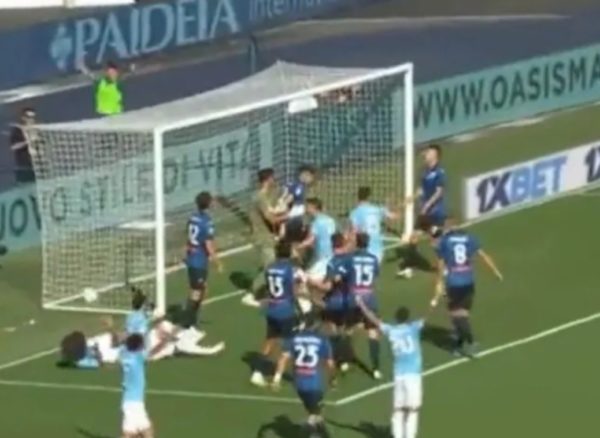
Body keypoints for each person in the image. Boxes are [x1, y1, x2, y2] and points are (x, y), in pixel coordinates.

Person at [432, 219, 503, 357]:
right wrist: (495, 271)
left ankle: (470, 342)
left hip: (454, 282)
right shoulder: (470, 238)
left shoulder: (444, 241)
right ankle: (459, 344)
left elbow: (440, 265)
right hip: (468, 282)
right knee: (462, 314)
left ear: (448, 229)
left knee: (456, 316)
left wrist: (439, 283)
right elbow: (484, 256)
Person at [355, 297, 424, 438]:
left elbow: (373, 319)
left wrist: (361, 305)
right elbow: (427, 315)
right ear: (408, 318)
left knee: (398, 410)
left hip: (399, 375)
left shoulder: (391, 330)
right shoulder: (413, 327)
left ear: (396, 318)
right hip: (413, 375)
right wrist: (435, 301)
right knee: (412, 410)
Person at [250, 240, 306, 387]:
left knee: (270, 340)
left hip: (272, 308)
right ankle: (279, 377)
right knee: (290, 343)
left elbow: (270, 288)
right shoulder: (289, 269)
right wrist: (300, 309)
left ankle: (257, 372)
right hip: (285, 310)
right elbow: (292, 292)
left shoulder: (270, 268)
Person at [273, 313, 336, 438]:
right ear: (316, 325)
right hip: (314, 384)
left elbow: (283, 359)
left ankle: (320, 432)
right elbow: (330, 363)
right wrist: (332, 379)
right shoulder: (321, 339)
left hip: (299, 384)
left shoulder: (294, 338)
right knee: (314, 415)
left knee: (316, 412)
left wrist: (277, 379)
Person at [398, 144, 447, 278]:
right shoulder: (424, 172)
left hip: (435, 212)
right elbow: (421, 191)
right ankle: (411, 263)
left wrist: (427, 205)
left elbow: (439, 192)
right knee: (413, 238)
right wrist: (409, 200)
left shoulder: (439, 172)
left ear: (435, 155)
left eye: (429, 152)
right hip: (425, 214)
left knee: (435, 242)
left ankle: (444, 267)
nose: (426, 154)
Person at [243, 168, 287, 305]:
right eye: (273, 178)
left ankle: (266, 289)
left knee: (272, 263)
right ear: (268, 180)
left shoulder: (261, 196)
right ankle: (252, 293)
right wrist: (289, 215)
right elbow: (270, 219)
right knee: (270, 266)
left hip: (265, 235)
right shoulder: (260, 198)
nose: (274, 180)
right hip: (263, 236)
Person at [309, 232, 353, 372]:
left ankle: (341, 358)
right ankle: (346, 356)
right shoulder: (351, 259)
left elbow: (327, 286)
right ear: (343, 244)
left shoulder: (333, 263)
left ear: (332, 246)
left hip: (336, 301)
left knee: (333, 329)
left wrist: (313, 283)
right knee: (344, 329)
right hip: (351, 299)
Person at [183, 191, 223, 338]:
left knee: (199, 290)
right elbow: (208, 245)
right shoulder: (207, 221)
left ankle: (191, 319)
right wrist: (218, 262)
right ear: (208, 203)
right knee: (197, 292)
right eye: (212, 201)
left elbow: (188, 238)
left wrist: (186, 253)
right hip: (199, 261)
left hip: (192, 259)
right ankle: (189, 324)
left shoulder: (192, 218)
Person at [344, 232, 383, 379]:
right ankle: (376, 368)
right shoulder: (373, 259)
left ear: (357, 243)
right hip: (369, 298)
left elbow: (345, 276)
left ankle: (345, 360)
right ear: (368, 243)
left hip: (353, 298)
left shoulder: (350, 258)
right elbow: (375, 277)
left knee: (348, 329)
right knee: (372, 331)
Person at [349, 186, 400, 264]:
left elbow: (354, 232)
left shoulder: (354, 213)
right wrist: (398, 208)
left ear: (358, 197)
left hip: (363, 250)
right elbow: (395, 216)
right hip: (377, 250)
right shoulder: (378, 209)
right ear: (369, 197)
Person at [297, 197, 337, 283]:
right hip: (331, 257)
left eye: (307, 207)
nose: (306, 210)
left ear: (312, 207)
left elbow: (310, 240)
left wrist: (298, 246)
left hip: (320, 259)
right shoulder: (331, 220)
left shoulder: (315, 223)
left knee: (307, 280)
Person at [279, 165, 317, 242]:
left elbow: (286, 193)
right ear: (306, 175)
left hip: (295, 211)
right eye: (311, 177)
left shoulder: (295, 184)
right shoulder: (299, 186)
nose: (312, 180)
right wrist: (283, 206)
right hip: (296, 211)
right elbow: (290, 197)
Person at [9, 107, 36, 184]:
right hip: (24, 166)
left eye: (33, 117)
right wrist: (28, 141)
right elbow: (13, 147)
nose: (31, 119)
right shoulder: (17, 131)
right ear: (23, 118)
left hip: (36, 165)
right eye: (29, 117)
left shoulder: (36, 130)